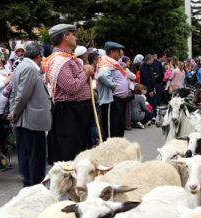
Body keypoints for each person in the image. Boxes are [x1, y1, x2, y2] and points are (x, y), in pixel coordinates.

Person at [44, 24, 95, 163]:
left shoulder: (70, 59)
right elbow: (71, 87)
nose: (75, 37)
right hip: (69, 112)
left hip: (78, 110)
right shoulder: (60, 61)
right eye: (73, 34)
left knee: (80, 150)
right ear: (65, 37)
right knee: (70, 152)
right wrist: (86, 71)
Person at [8, 42, 51, 186]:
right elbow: (22, 95)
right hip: (30, 120)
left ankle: (30, 184)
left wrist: (13, 111)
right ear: (39, 57)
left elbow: (16, 93)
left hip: (26, 118)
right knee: (36, 157)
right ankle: (34, 187)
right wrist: (14, 112)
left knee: (29, 155)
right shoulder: (29, 69)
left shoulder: (22, 66)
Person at [97, 41, 129, 140]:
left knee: (119, 127)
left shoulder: (112, 63)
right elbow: (102, 75)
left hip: (119, 100)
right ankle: (110, 152)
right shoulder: (106, 62)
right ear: (111, 52)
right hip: (112, 101)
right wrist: (112, 85)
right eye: (118, 51)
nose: (120, 54)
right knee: (112, 130)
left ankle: (117, 151)